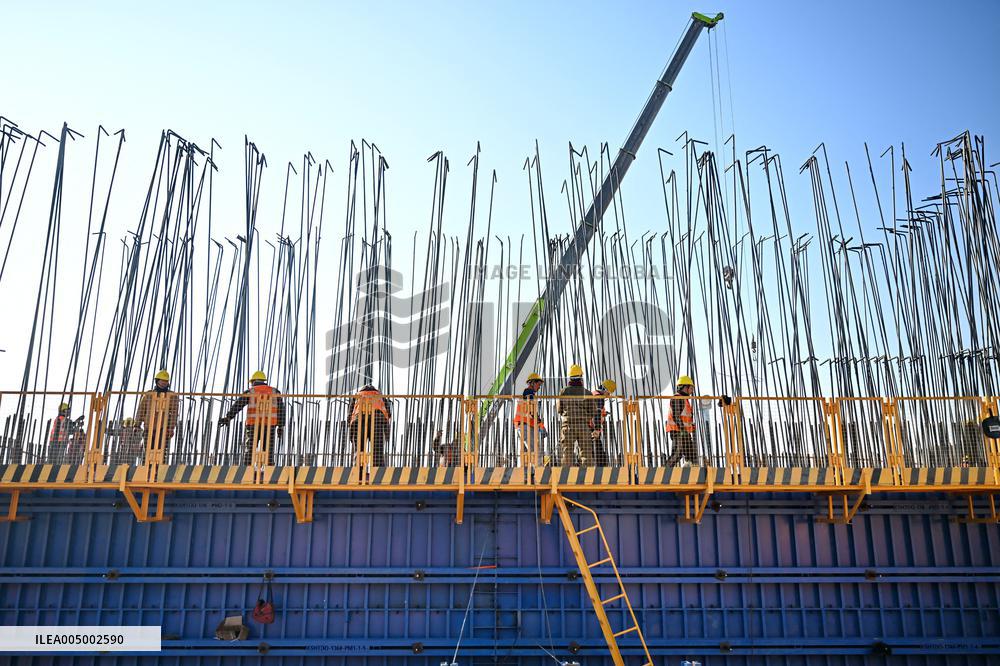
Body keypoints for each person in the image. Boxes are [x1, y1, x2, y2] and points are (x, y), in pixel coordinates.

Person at [219, 371, 285, 466]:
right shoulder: (275, 392)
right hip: (270, 425)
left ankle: (247, 470)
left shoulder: (250, 392)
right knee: (268, 451)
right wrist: (281, 426)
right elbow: (281, 410)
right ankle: (270, 471)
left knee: (250, 450)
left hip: (252, 425)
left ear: (253, 381)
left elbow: (238, 405)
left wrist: (228, 417)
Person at [135, 370, 180, 464]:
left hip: (163, 429)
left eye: (166, 381)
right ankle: (146, 470)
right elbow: (141, 410)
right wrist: (137, 424)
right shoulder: (149, 394)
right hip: (148, 428)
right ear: (157, 381)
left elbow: (174, 413)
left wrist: (171, 428)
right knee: (147, 451)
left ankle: (158, 472)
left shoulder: (172, 396)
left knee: (161, 452)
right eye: (162, 380)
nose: (164, 383)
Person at [557, 363, 595, 466]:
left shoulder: (563, 391)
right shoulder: (587, 393)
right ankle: (587, 476)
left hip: (568, 425)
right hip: (583, 425)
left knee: (567, 452)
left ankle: (566, 475)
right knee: (586, 452)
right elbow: (593, 411)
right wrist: (586, 417)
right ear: (580, 378)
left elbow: (559, 409)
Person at [347, 384, 392, 467]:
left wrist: (351, 433)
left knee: (359, 450)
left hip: (359, 421)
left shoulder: (358, 395)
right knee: (377, 450)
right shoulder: (379, 395)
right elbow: (388, 413)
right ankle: (378, 472)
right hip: (377, 421)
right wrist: (387, 432)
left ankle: (358, 471)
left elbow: (350, 415)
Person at [513, 372, 548, 465]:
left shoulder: (528, 394)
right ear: (532, 383)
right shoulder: (529, 393)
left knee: (525, 454)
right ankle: (540, 474)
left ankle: (526, 476)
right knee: (536, 451)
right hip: (525, 427)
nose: (539, 387)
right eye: (538, 384)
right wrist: (541, 426)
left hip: (523, 427)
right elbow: (532, 412)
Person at [589, 379, 616, 466]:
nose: (608, 396)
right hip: (592, 429)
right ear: (605, 390)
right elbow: (596, 413)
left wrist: (603, 413)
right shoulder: (599, 398)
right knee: (600, 455)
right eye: (608, 393)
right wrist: (596, 430)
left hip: (587, 427)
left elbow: (594, 410)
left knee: (590, 452)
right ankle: (602, 472)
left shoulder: (593, 394)